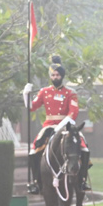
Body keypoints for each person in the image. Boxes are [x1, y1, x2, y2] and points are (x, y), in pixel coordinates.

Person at [22, 54, 90, 195]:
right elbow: (31, 107)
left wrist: (62, 126)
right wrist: (26, 95)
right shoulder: (44, 92)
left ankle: (82, 181)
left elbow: (73, 112)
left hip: (67, 126)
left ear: (62, 76)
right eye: (52, 75)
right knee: (34, 150)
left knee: (83, 148)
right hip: (48, 126)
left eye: (57, 75)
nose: (54, 77)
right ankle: (36, 182)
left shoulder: (70, 93)